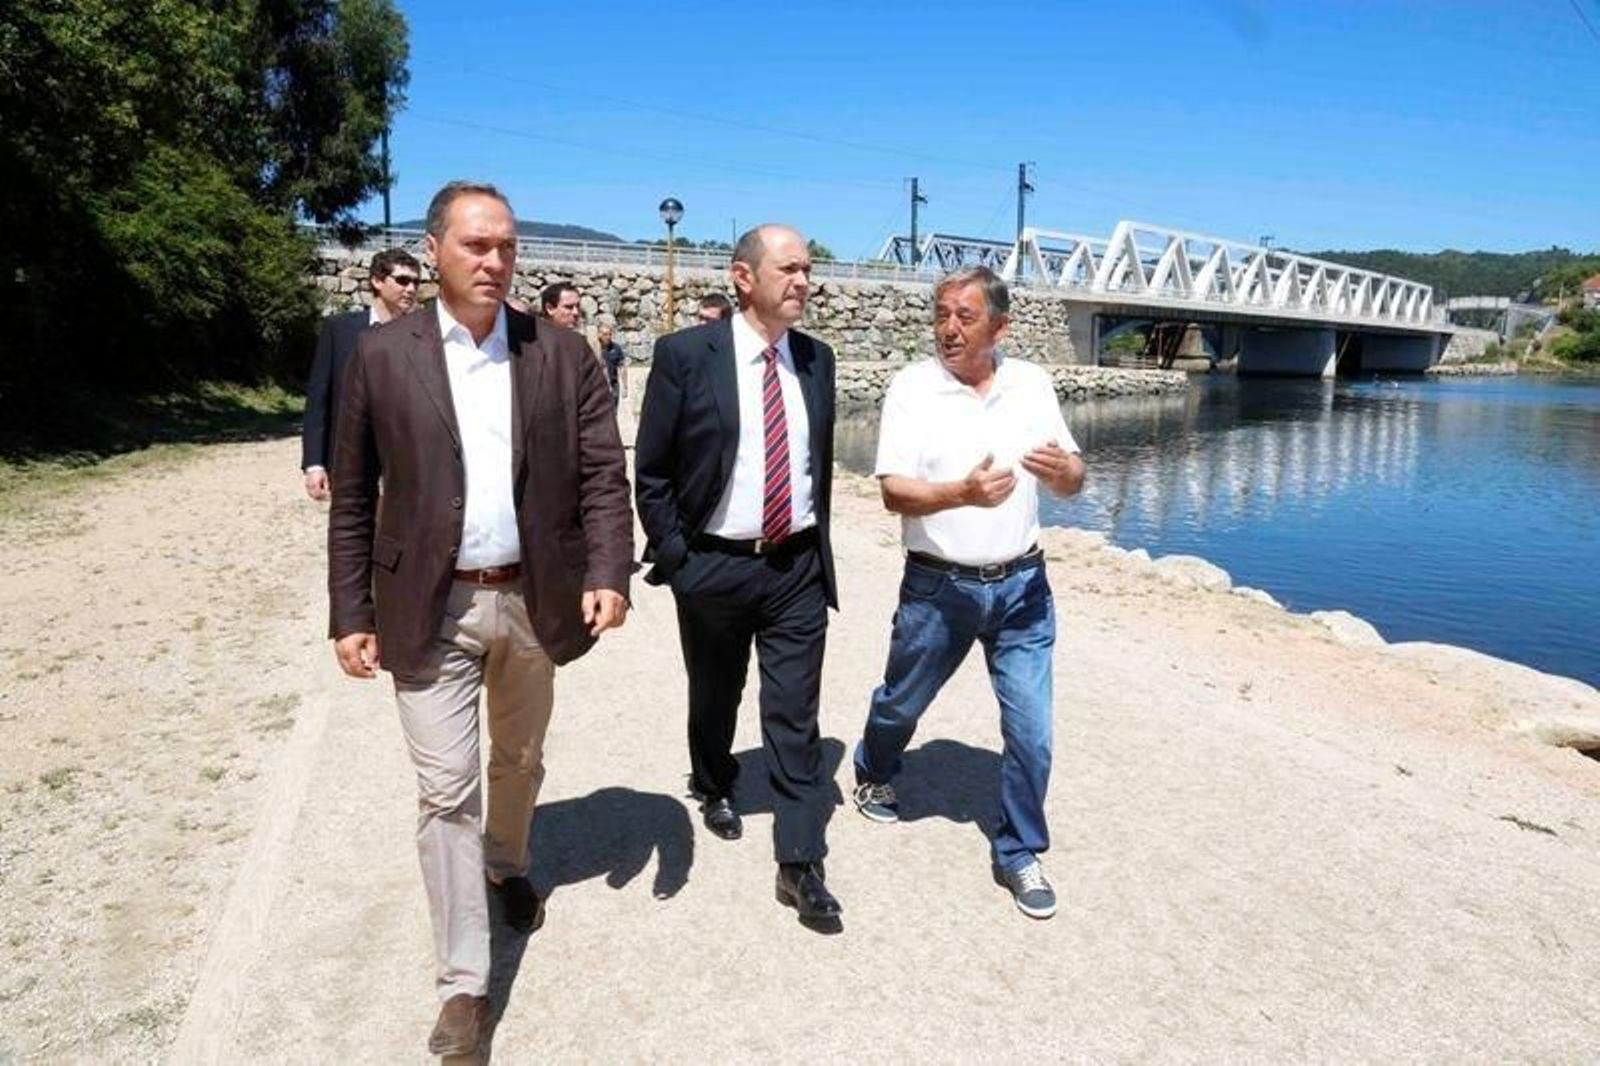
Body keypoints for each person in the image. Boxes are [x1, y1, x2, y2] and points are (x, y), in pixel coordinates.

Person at [327, 181, 633, 1054]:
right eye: (475, 245)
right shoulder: (384, 358)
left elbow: (603, 475)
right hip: (431, 604)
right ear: (433, 253)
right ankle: (465, 987)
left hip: (534, 599)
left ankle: (508, 860)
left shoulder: (560, 352)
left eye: (505, 246)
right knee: (444, 789)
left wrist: (609, 568)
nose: (494, 260)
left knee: (520, 755)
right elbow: (353, 496)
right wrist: (350, 607)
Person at [849, 265, 1085, 920]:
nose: (949, 328)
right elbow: (894, 490)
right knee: (900, 705)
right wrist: (963, 493)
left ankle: (1019, 852)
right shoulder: (913, 388)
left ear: (1000, 326)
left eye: (965, 316)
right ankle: (874, 766)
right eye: (942, 313)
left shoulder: (1032, 385)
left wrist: (1067, 472)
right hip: (938, 586)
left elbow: (1073, 478)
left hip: (1024, 587)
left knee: (1032, 732)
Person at [634, 224, 842, 925]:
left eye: (808, 269)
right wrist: (678, 558)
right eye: (789, 268)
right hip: (715, 565)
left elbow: (815, 463)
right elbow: (653, 470)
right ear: (743, 277)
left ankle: (799, 861)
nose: (804, 281)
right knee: (716, 693)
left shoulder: (819, 359)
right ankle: (713, 779)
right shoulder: (687, 355)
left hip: (796, 567)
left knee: (794, 713)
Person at [301, 247, 420, 500]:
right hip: (349, 459)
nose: (410, 288)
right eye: (402, 280)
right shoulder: (339, 330)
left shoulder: (424, 336)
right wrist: (314, 464)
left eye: (415, 282)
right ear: (377, 281)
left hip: (406, 464)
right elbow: (318, 400)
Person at [596, 323, 627, 413]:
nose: (608, 337)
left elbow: (621, 367)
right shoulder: (593, 348)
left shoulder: (616, 348)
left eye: (610, 334)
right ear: (599, 334)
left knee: (613, 412)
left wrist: (625, 386)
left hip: (613, 385)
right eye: (605, 334)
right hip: (598, 386)